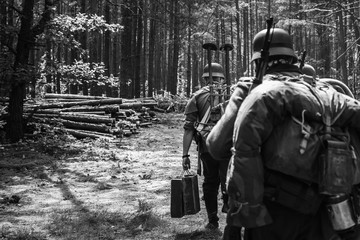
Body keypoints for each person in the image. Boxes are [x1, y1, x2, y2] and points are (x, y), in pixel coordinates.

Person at [207, 27, 360, 240]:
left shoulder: (261, 94)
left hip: (276, 216)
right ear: (294, 60)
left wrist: (240, 95)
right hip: (330, 215)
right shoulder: (332, 95)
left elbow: (216, 147)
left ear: (259, 62)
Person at [182, 62, 229, 231]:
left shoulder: (197, 97)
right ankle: (232, 221)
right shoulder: (233, 95)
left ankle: (212, 221)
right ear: (222, 79)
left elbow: (188, 129)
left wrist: (185, 155)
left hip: (208, 147)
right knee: (230, 183)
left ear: (204, 79)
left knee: (210, 183)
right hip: (229, 149)